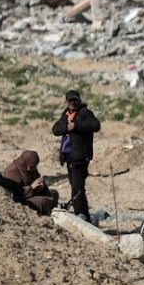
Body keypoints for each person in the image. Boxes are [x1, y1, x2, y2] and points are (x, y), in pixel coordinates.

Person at [52, 90, 100, 223]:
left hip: (80, 157)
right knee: (76, 188)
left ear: (79, 100)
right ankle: (83, 216)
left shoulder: (85, 113)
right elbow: (56, 129)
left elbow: (95, 125)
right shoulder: (66, 114)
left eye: (75, 100)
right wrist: (67, 127)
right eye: (70, 101)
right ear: (66, 102)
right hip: (69, 157)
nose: (73, 103)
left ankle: (83, 217)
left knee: (77, 190)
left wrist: (77, 126)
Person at [1, 150, 59, 216]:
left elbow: (36, 179)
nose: (34, 168)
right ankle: (46, 219)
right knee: (43, 201)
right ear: (26, 162)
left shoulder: (31, 169)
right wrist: (31, 187)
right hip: (21, 199)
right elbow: (15, 192)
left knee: (54, 193)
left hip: (31, 194)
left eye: (35, 166)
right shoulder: (12, 171)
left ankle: (56, 216)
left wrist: (40, 185)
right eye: (32, 166)